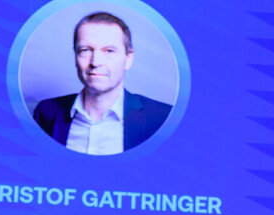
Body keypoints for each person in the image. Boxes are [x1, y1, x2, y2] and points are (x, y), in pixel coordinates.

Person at [33, 11, 172, 154]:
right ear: (75, 56)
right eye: (85, 50)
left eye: (109, 51)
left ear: (128, 58)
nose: (96, 62)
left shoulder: (162, 118)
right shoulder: (45, 112)